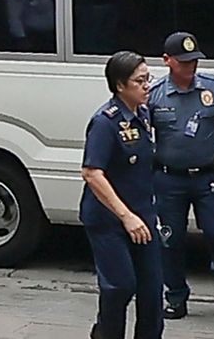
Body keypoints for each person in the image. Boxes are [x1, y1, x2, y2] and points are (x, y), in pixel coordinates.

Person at [149, 32, 214, 319]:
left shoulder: (213, 87)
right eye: (184, 61)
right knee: (170, 239)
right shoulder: (154, 94)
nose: (191, 67)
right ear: (167, 61)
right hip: (168, 179)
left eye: (194, 61)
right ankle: (176, 296)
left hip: (207, 177)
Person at [80, 51, 163, 339]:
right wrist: (126, 217)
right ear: (119, 86)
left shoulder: (144, 113)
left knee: (152, 291)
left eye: (148, 79)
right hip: (109, 219)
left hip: (143, 213)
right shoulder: (105, 122)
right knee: (121, 285)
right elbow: (92, 173)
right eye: (140, 81)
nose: (147, 85)